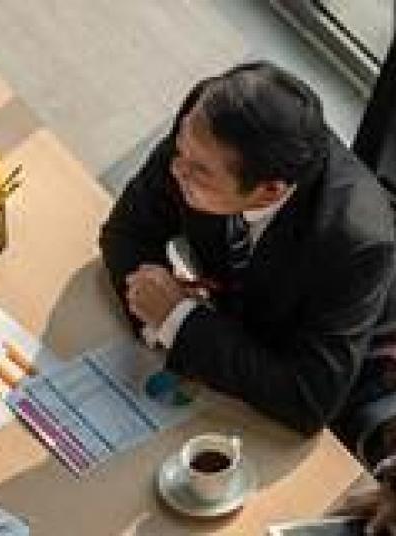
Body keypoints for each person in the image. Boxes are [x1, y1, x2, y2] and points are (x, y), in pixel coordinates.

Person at [99, 61, 396, 467]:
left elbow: (308, 399)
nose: (175, 169)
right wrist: (158, 325)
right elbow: (127, 232)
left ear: (269, 191)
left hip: (350, 368)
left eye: (197, 174)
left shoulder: (356, 241)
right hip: (237, 334)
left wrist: (179, 321)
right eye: (180, 149)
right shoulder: (206, 127)